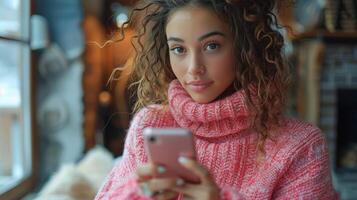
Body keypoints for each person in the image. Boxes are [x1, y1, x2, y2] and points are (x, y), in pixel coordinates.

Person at [95, 0, 339, 199]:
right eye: (179, 49)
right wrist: (138, 193)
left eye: (212, 46)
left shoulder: (300, 146)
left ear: (246, 46)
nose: (194, 68)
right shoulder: (150, 124)